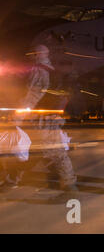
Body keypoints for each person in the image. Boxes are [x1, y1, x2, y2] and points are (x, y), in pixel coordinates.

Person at [22, 44, 78, 197]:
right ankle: (13, 178)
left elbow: (33, 95)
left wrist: (19, 115)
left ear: (36, 55)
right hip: (51, 116)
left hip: (44, 117)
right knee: (42, 149)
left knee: (54, 151)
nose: (29, 57)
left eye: (31, 54)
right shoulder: (51, 70)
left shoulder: (39, 70)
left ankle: (70, 187)